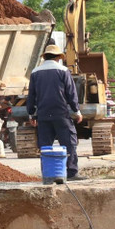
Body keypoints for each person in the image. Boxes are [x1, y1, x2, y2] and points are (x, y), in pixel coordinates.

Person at [26, 44, 85, 180]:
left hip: (43, 115)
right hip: (61, 114)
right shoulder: (63, 71)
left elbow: (32, 95)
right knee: (69, 143)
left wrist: (31, 113)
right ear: (58, 57)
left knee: (45, 146)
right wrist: (77, 111)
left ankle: (48, 174)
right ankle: (71, 173)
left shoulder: (35, 72)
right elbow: (71, 93)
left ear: (44, 57)